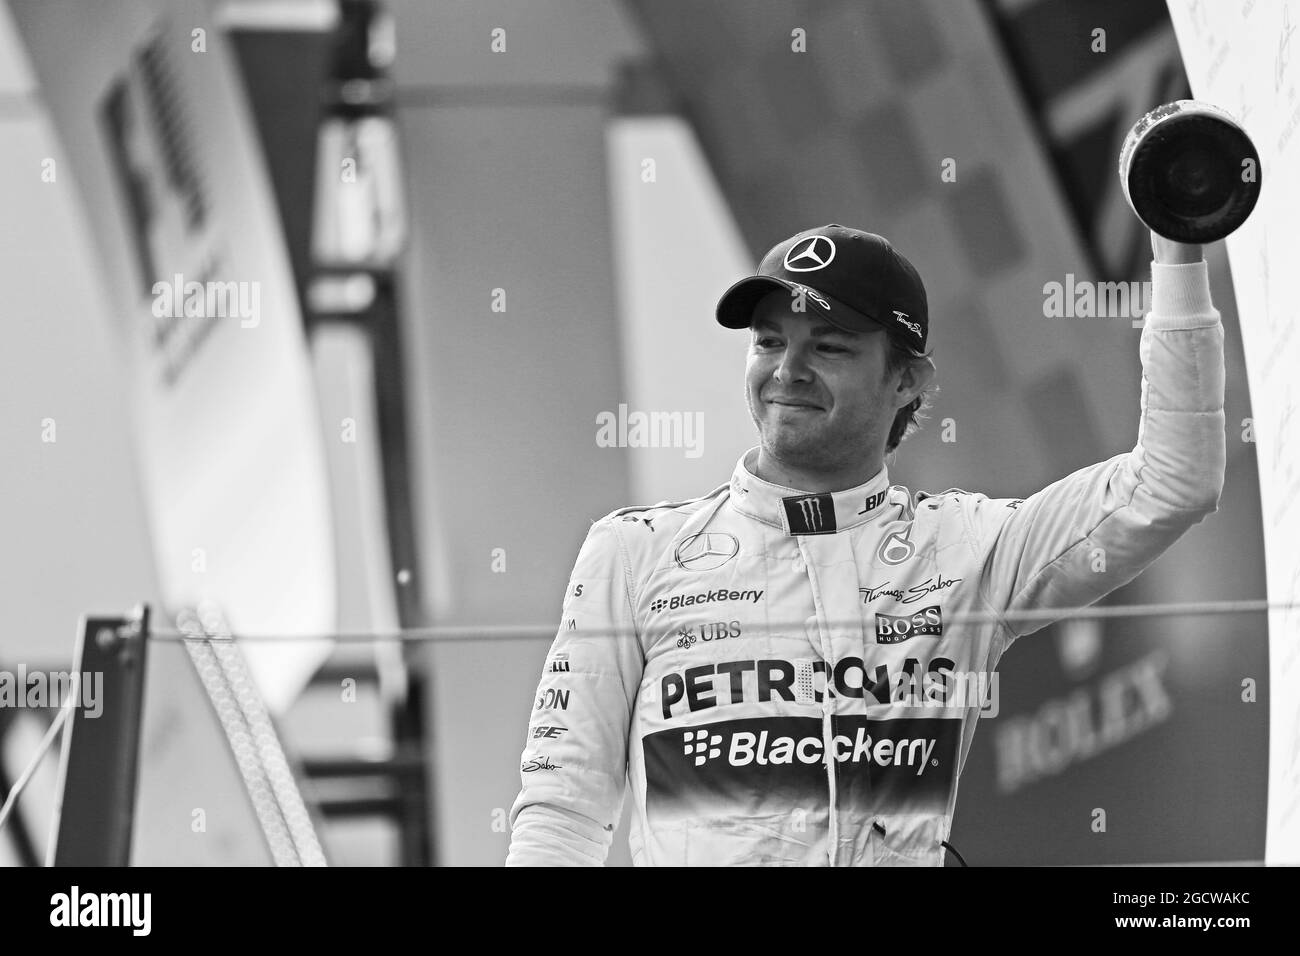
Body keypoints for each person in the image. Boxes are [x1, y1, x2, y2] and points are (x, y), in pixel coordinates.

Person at [506, 223, 1225, 866]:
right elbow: (563, 812)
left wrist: (1177, 246)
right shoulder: (634, 551)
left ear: (908, 379)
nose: (787, 370)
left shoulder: (969, 546)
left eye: (830, 346)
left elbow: (1171, 483)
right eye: (768, 341)